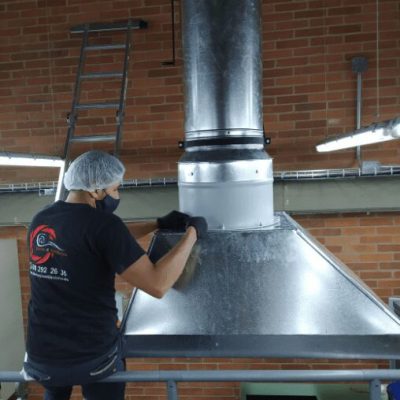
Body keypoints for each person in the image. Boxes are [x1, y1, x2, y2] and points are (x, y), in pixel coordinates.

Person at [23, 150, 207, 400]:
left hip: (43, 354)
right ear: (96, 191)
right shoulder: (104, 225)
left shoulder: (42, 219)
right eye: (115, 189)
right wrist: (192, 235)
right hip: (92, 356)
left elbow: (91, 240)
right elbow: (157, 284)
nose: (117, 195)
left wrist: (157, 224)